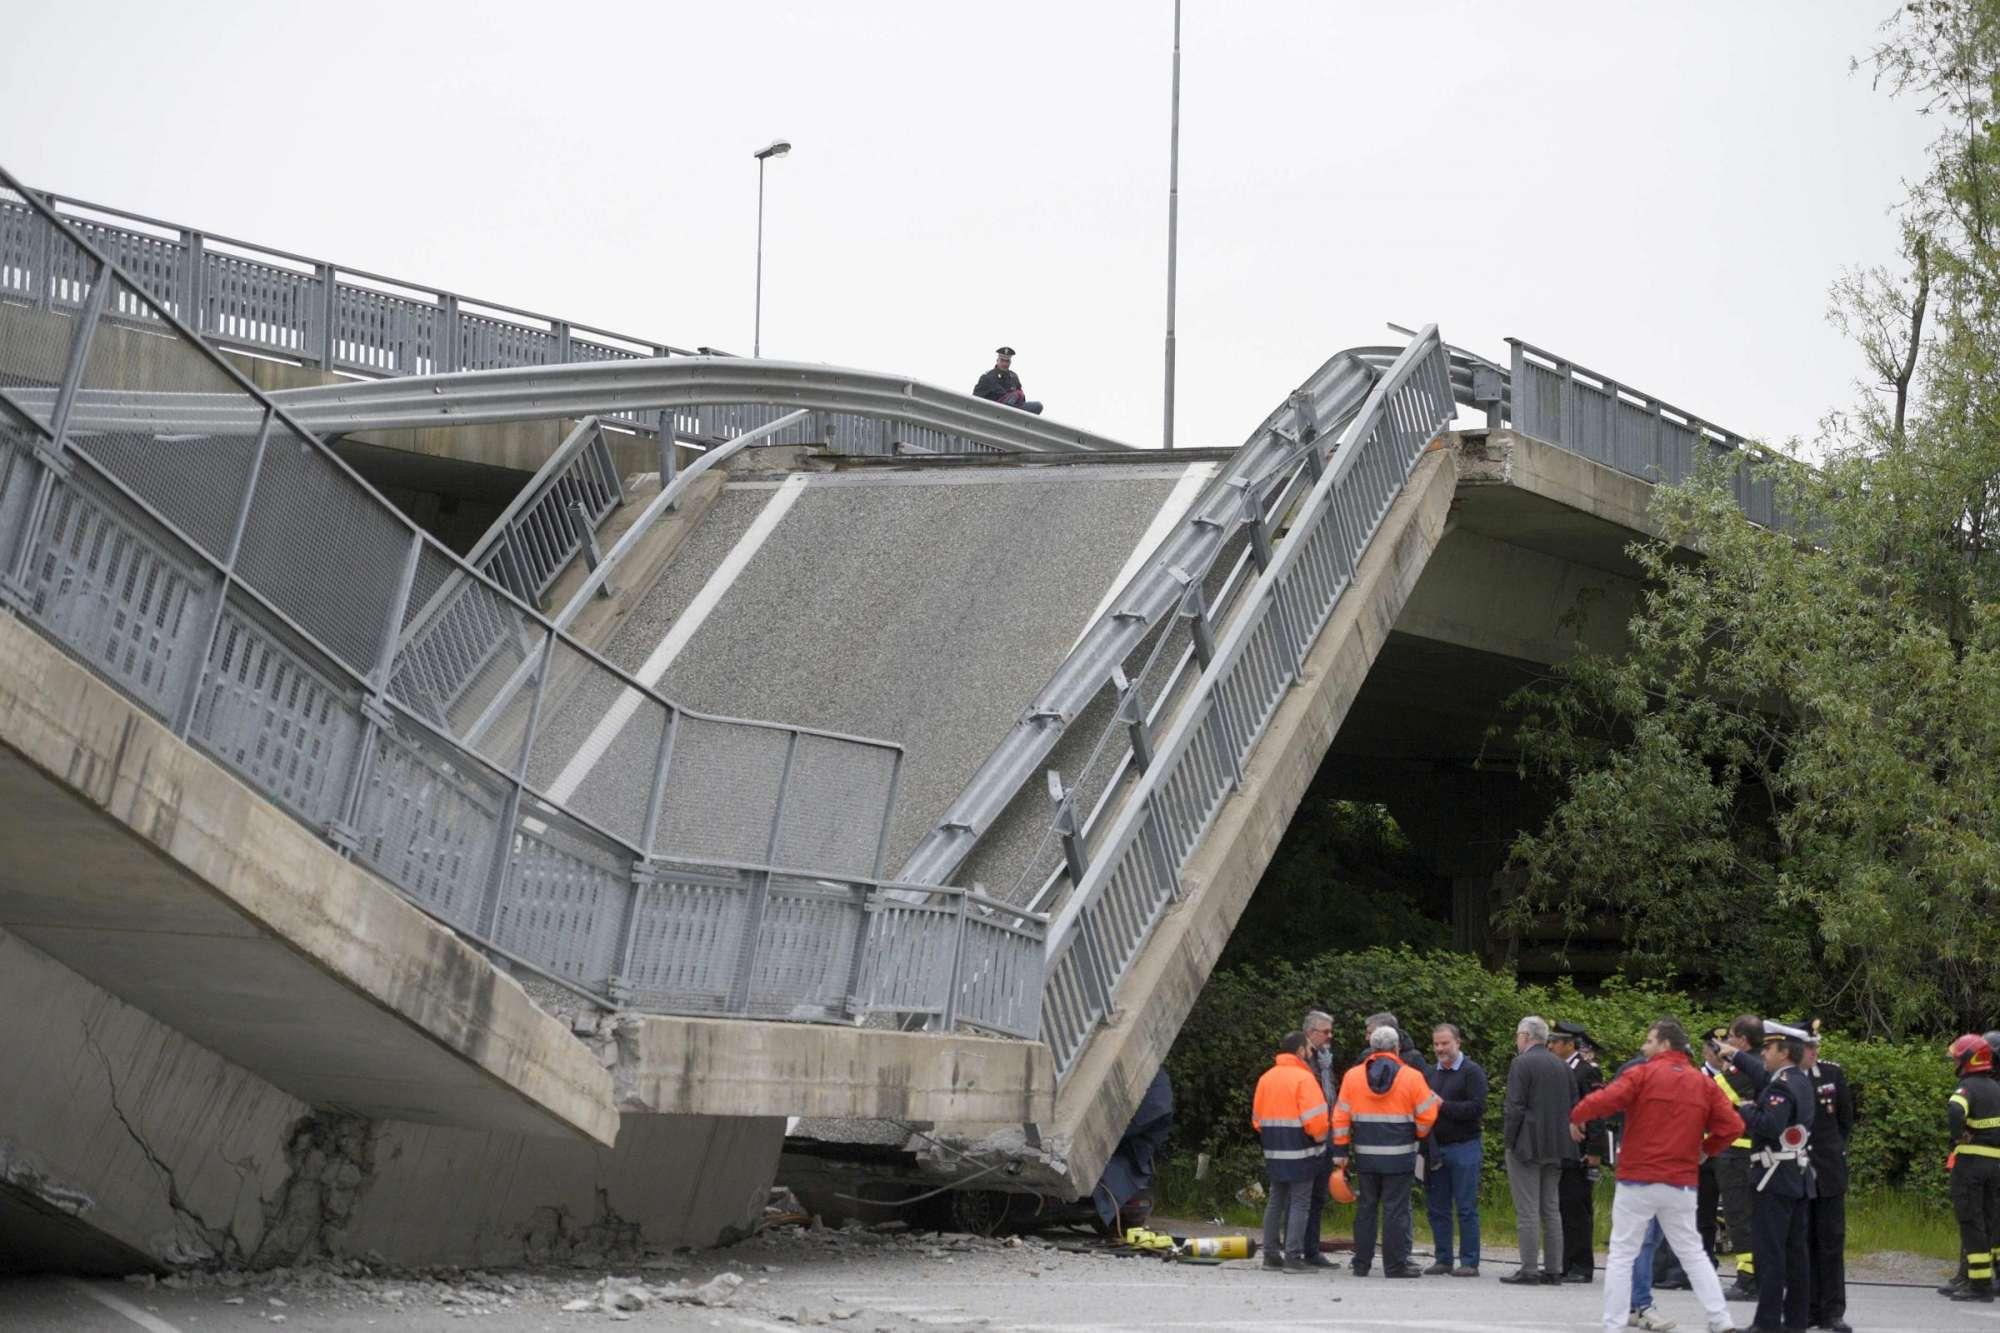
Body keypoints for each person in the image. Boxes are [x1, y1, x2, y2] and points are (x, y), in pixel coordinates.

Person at [1568, 1017, 1744, 1333]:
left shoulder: (1642, 1074)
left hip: (1638, 1178)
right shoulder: (1703, 1082)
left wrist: (1576, 1115)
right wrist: (1707, 1149)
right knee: (1693, 1253)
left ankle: (1614, 1324)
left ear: (1664, 1044)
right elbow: (1733, 1126)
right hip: (1681, 1181)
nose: (1642, 1046)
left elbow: (1604, 1101)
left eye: (1648, 1041)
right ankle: (1720, 1319)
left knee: (1623, 1253)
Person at [1331, 1024, 1440, 1278]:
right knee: (1396, 1210)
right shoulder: (1411, 1076)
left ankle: (1361, 1264)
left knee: (1366, 1208)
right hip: (1400, 1155)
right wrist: (1418, 1134)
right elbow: (1428, 1114)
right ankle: (1394, 1265)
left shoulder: (1353, 1076)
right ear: (1397, 1048)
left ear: (1372, 1048)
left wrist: (1341, 1150)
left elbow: (1340, 1116)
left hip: (1366, 1155)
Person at [1736, 1019, 1816, 1332]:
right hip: (1795, 1178)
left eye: (1769, 1047)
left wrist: (1745, 1109)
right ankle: (1795, 1321)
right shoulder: (1801, 1081)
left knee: (1771, 1254)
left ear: (1784, 1052)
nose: (1764, 1052)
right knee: (1796, 1255)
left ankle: (1767, 1322)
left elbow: (1770, 1125)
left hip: (1774, 1177)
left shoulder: (1781, 1085)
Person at [1251, 1029, 1331, 1273]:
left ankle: (1271, 1255)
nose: (1311, 1052)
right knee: (1299, 1203)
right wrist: (1321, 1140)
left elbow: (1257, 1120)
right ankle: (1293, 1258)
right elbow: (1317, 1122)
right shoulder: (1304, 1079)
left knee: (1276, 1201)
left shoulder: (1266, 1078)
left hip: (1274, 1149)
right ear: (1300, 1051)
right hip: (1302, 1150)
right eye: (1308, 1048)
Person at [1502, 1015, 1573, 1286]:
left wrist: (1509, 1140)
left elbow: (1515, 1106)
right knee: (1551, 1208)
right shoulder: (1562, 1065)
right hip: (1557, 1144)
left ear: (1525, 1036)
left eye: (1518, 1035)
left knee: (1528, 1209)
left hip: (1527, 1144)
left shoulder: (1522, 1063)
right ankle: (1554, 1268)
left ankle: (1529, 1268)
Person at [1423, 1022, 1488, 1277]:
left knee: (1465, 1206)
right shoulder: (1430, 1073)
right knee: (1437, 1207)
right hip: (1436, 1149)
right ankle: (1443, 1259)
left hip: (1465, 1147)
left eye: (1445, 1043)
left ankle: (1469, 1262)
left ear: (1458, 1043)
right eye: (1437, 1044)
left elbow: (1476, 1108)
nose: (1440, 1048)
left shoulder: (1472, 1072)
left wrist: (1443, 1105)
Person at [1800, 1020, 1854, 1332]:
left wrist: (1831, 1152)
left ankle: (1833, 1312)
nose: (1815, 1051)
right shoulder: (1786, 1077)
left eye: (1816, 1045)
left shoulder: (1832, 1074)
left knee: (1831, 1243)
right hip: (1797, 1172)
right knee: (1803, 1243)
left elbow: (1844, 1120)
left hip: (1829, 1172)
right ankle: (1807, 1308)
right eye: (1809, 1046)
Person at [1714, 1016, 1769, 1303]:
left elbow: (1716, 1091)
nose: (1728, 1042)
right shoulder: (1761, 1063)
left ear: (1744, 1040)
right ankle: (1756, 1275)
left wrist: (1721, 1068)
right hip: (1748, 1152)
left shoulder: (1745, 1068)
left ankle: (1748, 1278)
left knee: (1739, 1216)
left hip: (1738, 1153)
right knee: (1749, 1216)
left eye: (1732, 1037)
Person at [1947, 1031, 2000, 1303]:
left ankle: (1977, 1284)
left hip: (1971, 1165)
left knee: (1970, 1220)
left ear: (1967, 1061)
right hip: (1996, 1164)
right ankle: (1985, 1278)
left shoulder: (1966, 1088)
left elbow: (1956, 1110)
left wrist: (1959, 1136)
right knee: (1991, 1219)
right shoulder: (1996, 1088)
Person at [1552, 1021, 1607, 1282]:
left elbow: (1597, 1112)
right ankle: (1565, 1262)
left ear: (1569, 1044)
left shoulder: (1586, 1071)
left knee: (1577, 1208)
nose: (1551, 1046)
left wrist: (1595, 1151)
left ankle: (1581, 1266)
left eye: (1555, 1042)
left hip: (1580, 1149)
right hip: (1562, 1148)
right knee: (1563, 1205)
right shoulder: (1562, 1069)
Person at [1300, 1009, 1341, 1269]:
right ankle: (1298, 1249)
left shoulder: (1325, 1060)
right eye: (1325, 1031)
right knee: (1300, 1198)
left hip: (1326, 1135)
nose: (1330, 1036)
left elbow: (1331, 1096)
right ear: (1310, 1033)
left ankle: (1311, 1249)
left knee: (1317, 1197)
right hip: (1305, 1138)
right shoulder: (1302, 1060)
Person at [972, 347, 1043, 414]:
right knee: (1013, 396)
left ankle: (1014, 415)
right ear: (997, 361)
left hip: (1013, 409)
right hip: (993, 410)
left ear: (1010, 362)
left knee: (1037, 406)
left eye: (1007, 361)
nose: (1004, 364)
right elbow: (975, 399)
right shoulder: (987, 377)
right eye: (1002, 360)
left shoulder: (1013, 377)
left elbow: (1021, 399)